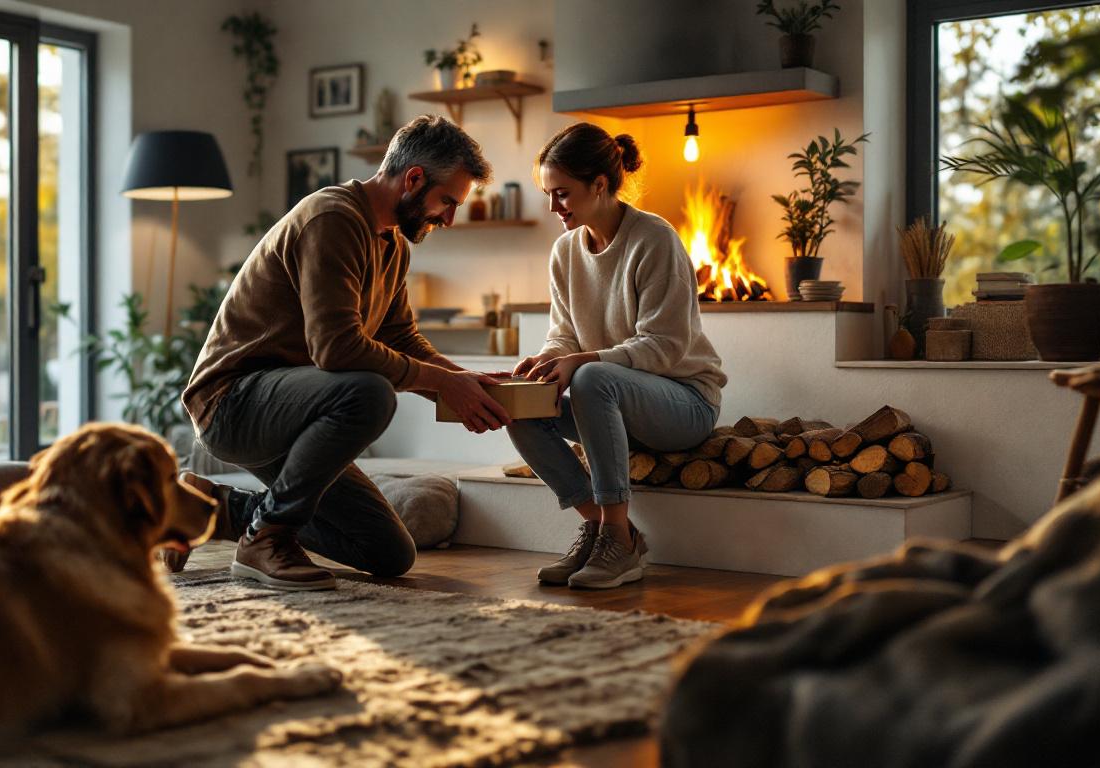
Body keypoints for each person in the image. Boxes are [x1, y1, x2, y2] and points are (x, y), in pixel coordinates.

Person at [178, 115, 512, 591]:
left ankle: (209, 509)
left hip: (294, 408)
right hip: (232, 404)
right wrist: (441, 383)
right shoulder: (333, 218)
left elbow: (401, 339)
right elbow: (336, 349)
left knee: (387, 552)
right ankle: (264, 540)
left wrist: (465, 382)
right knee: (369, 394)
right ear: (413, 179)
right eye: (447, 202)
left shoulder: (393, 244)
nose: (449, 218)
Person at [509, 122, 725, 590]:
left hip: (684, 403)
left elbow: (666, 347)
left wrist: (581, 362)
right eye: (548, 194)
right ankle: (606, 529)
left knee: (591, 378)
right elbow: (563, 334)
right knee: (519, 408)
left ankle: (617, 542)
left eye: (562, 194)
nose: (553, 207)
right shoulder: (565, 251)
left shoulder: (654, 239)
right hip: (610, 402)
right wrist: (545, 363)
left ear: (600, 185)